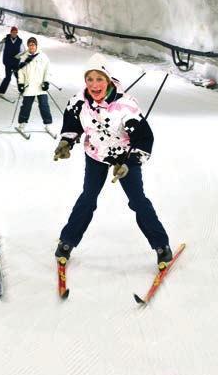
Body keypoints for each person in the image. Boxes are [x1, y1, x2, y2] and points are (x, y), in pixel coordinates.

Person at [52, 53, 173, 268]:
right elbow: (72, 125)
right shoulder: (78, 102)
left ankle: (161, 245)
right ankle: (67, 241)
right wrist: (66, 142)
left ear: (108, 80)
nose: (94, 84)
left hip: (123, 158)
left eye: (99, 79)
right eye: (90, 79)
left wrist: (130, 163)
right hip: (96, 155)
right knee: (88, 198)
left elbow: (144, 138)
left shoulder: (126, 106)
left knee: (138, 201)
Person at [16, 37, 53, 134]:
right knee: (26, 106)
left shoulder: (43, 57)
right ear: (28, 46)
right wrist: (20, 84)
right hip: (29, 86)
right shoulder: (24, 57)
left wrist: (46, 82)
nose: (31, 47)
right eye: (30, 45)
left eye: (33, 45)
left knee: (44, 106)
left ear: (36, 45)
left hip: (40, 86)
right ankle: (22, 124)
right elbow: (20, 72)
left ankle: (48, 125)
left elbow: (47, 70)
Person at [0, 26, 25, 95]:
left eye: (15, 32)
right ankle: (1, 92)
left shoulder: (19, 41)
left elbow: (23, 51)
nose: (14, 34)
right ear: (10, 32)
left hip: (16, 63)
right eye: (13, 32)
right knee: (8, 77)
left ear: (17, 33)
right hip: (8, 62)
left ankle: (22, 91)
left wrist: (18, 56)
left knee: (18, 77)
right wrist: (1, 42)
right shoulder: (6, 40)